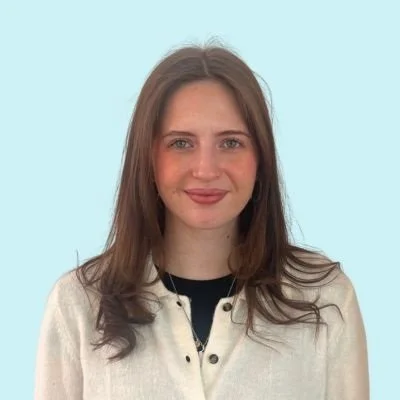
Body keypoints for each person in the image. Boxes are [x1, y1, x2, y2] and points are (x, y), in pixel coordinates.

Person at [34, 43, 369, 400]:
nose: (206, 169)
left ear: (261, 159)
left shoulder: (326, 301)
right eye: (181, 143)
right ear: (148, 158)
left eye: (231, 143)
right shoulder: (78, 307)